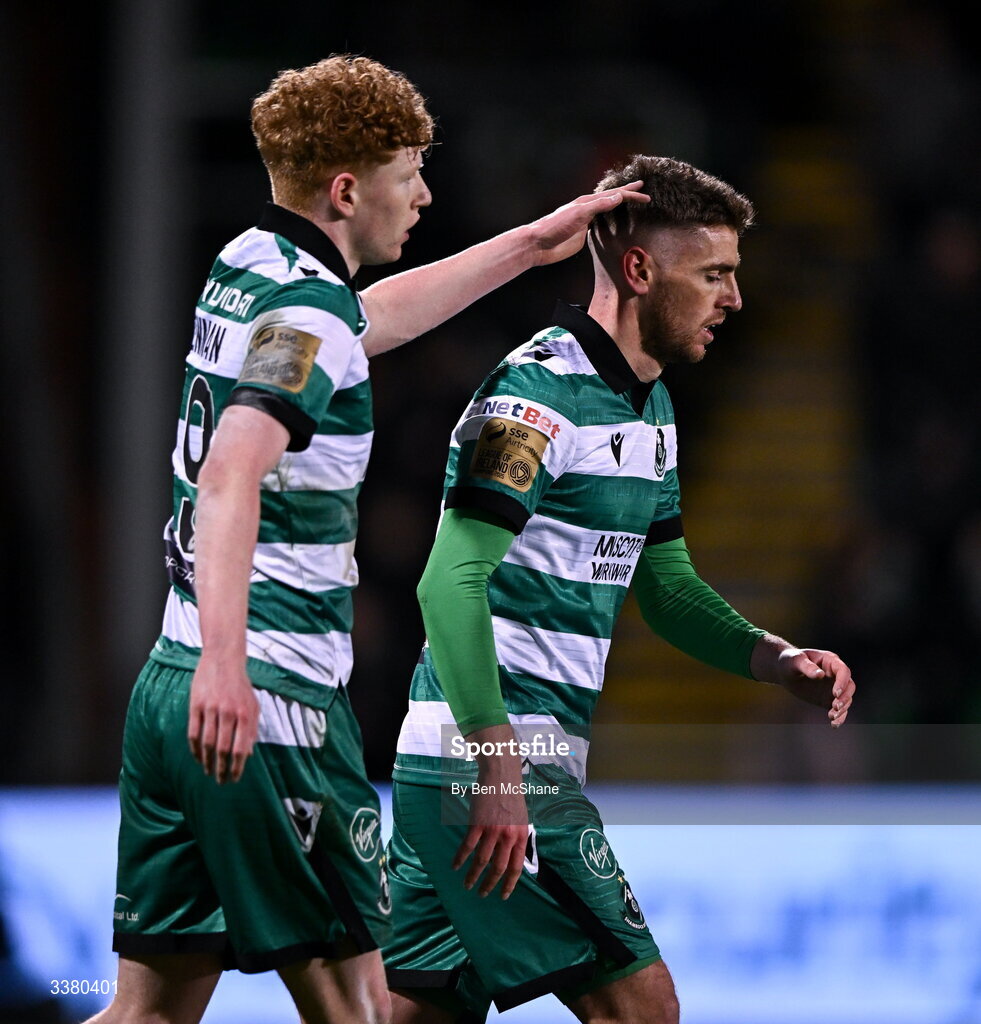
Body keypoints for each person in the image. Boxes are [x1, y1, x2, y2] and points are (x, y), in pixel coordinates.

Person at [90, 56, 648, 1024]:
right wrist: (233, 664)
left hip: (170, 688)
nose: (426, 194)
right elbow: (230, 472)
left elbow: (363, 321)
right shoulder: (307, 308)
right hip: (268, 701)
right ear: (348, 190)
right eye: (409, 174)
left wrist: (527, 244)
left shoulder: (251, 266)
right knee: (362, 1006)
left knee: (146, 1013)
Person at [384, 154, 857, 1024]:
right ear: (639, 270)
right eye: (713, 274)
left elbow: (666, 587)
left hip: (465, 767)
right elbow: (447, 583)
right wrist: (494, 764)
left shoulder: (651, 409)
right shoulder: (533, 399)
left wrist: (772, 658)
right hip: (494, 764)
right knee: (642, 1010)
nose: (733, 298)